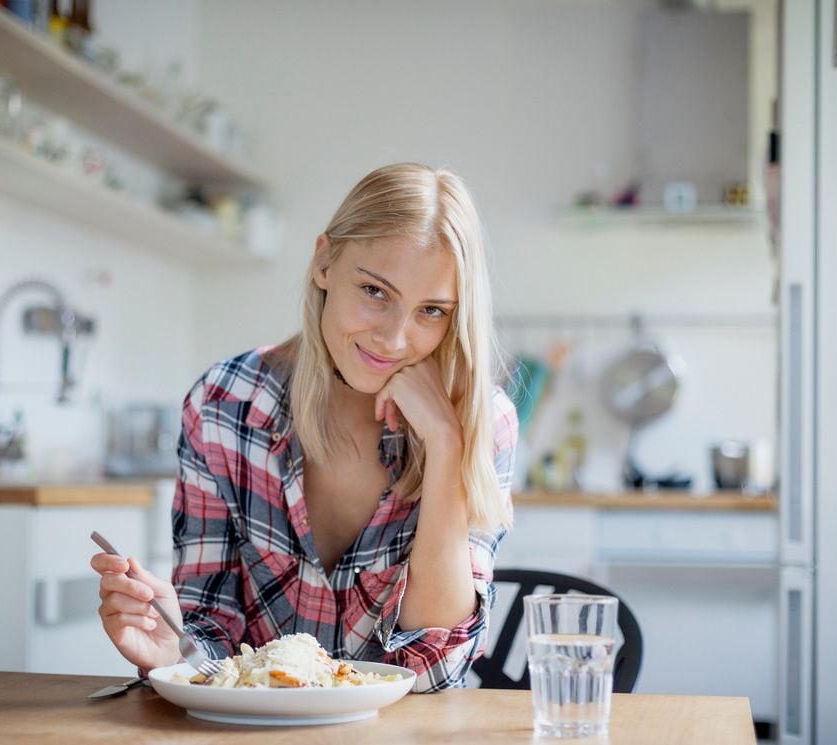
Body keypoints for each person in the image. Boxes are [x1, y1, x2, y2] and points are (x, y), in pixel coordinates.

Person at [90, 163, 518, 692]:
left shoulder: (482, 421)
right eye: (375, 291)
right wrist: (170, 650)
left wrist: (447, 445)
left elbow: (436, 671)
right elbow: (211, 638)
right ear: (324, 262)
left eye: (431, 310)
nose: (394, 337)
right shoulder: (225, 404)